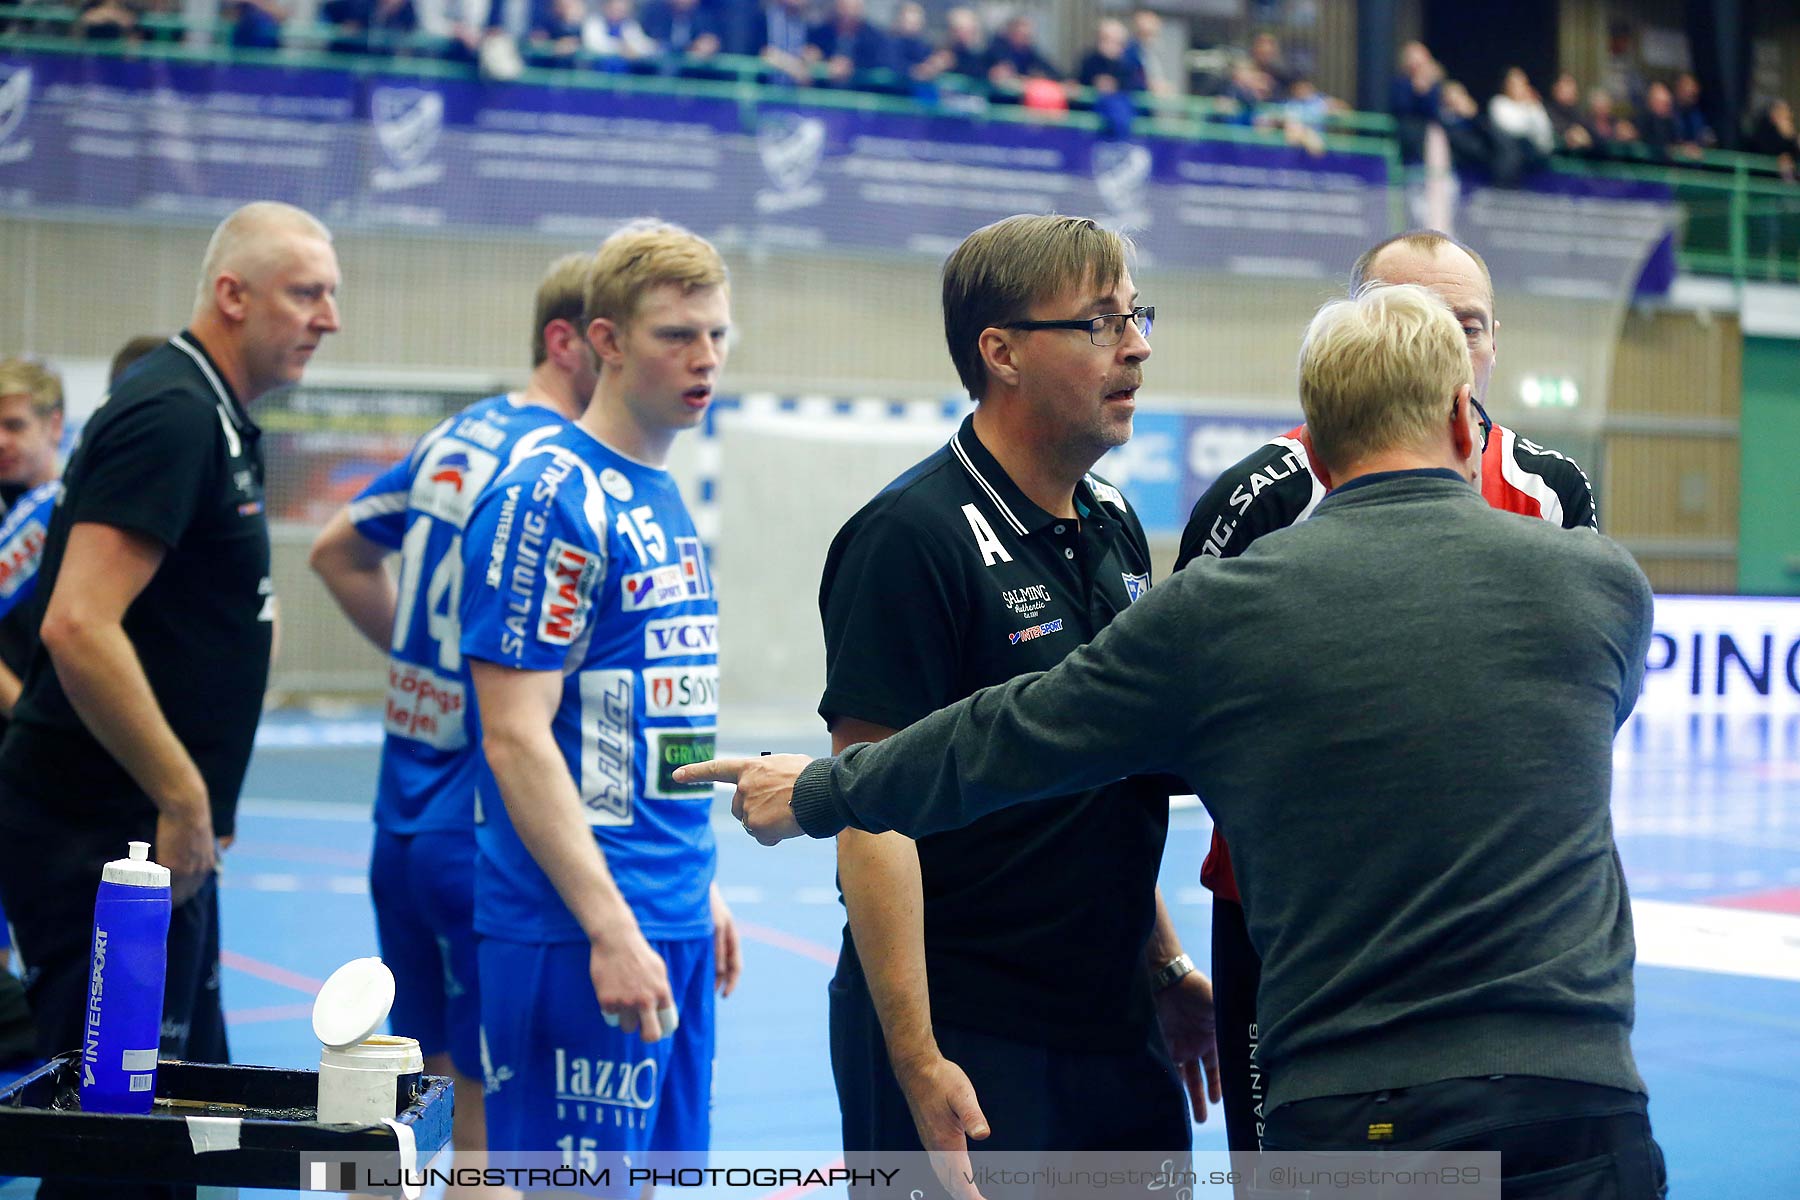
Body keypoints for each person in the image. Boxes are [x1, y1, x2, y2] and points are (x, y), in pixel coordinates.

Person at [687, 281, 1668, 1198]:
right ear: (1465, 419)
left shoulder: (1230, 615)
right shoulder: (1605, 589)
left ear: (1315, 459)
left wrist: (819, 790)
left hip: (1356, 1114)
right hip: (1583, 1104)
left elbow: (1008, 734)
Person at [816, 214, 1218, 1189]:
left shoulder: (1114, 523)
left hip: (1113, 1022)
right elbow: (869, 816)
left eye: (1136, 316)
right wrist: (916, 1061)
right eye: (1098, 323)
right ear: (1001, 352)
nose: (1137, 344)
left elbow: (1103, 779)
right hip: (967, 1031)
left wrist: (1163, 969)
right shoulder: (909, 539)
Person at [1176, 230, 1599, 1155]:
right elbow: (1180, 712)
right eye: (1418, 318)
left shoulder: (1551, 492)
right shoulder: (1263, 497)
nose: (1450, 344)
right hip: (1286, 920)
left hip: (1497, 919)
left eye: (1471, 324)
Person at [0, 202, 339, 1200]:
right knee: (120, 1149)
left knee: (178, 1128)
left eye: (333, 295)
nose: (329, 318)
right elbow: (78, 624)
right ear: (232, 295)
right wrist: (185, 797)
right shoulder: (172, 414)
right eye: (306, 293)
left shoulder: (220, 415)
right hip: (107, 845)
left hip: (154, 848)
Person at [307, 253, 597, 1199]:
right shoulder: (554, 469)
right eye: (618, 337)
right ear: (569, 341)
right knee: (491, 1125)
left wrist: (420, 661)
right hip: (482, 829)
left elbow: (337, 549)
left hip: (400, 821)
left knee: (410, 1097)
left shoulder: (459, 437)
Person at [458, 221, 742, 1180]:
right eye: (677, 336)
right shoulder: (549, 497)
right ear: (608, 341)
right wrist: (612, 926)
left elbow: (651, 708)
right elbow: (513, 735)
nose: (705, 358)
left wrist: (694, 885)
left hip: (670, 916)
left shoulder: (662, 493)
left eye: (716, 335)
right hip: (575, 930)